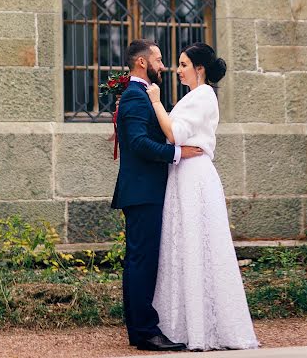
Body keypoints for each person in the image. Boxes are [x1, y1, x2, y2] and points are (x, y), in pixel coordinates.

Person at [146, 42, 259, 351]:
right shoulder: (193, 96)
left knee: (198, 244)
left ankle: (203, 327)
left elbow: (174, 134)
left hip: (195, 177)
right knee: (183, 245)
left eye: (183, 64)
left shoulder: (203, 95)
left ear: (200, 68)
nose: (178, 69)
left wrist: (156, 102)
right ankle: (184, 323)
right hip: (185, 174)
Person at [111, 39, 203, 352]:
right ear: (142, 63)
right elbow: (137, 143)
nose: (163, 66)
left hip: (145, 192)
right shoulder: (136, 96)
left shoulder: (139, 94)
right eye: (159, 60)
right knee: (141, 262)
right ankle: (145, 331)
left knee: (143, 261)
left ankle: (142, 329)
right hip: (142, 193)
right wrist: (178, 152)